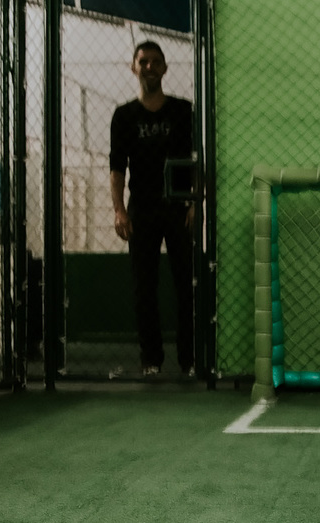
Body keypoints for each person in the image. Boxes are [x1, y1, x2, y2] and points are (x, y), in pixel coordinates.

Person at [109, 40, 195, 378]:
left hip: (179, 208)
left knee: (186, 284)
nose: (149, 67)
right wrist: (119, 210)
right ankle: (151, 360)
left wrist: (194, 202)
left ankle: (190, 360)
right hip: (141, 209)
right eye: (143, 61)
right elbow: (117, 167)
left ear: (165, 68)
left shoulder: (184, 111)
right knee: (144, 286)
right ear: (134, 67)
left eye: (155, 61)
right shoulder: (124, 116)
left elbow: (197, 160)